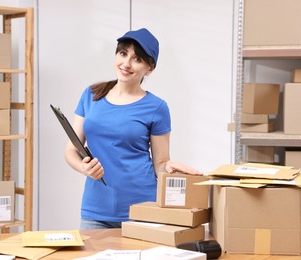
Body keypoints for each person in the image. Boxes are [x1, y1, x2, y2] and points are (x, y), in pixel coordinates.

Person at [64, 28, 201, 230]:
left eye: (137, 59)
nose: (126, 64)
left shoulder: (157, 107)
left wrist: (169, 169)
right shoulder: (92, 95)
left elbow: (160, 163)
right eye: (123, 54)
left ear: (149, 68)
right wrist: (83, 168)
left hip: (142, 209)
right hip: (96, 209)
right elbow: (71, 150)